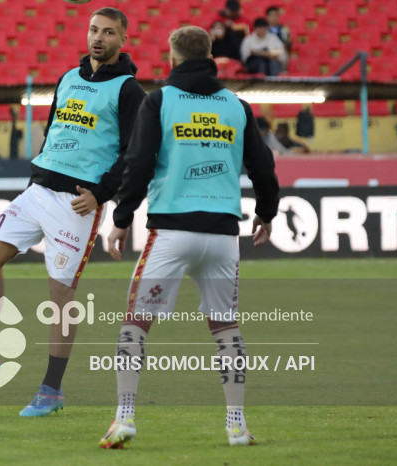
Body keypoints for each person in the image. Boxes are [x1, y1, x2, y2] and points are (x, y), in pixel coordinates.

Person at [98, 25, 279, 449]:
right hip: (221, 236)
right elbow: (263, 166)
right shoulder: (236, 105)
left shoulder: (160, 100)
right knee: (226, 329)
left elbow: (138, 163)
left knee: (135, 325)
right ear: (211, 55)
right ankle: (236, 425)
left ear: (173, 57)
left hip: (172, 232)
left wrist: (122, 218)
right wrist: (267, 212)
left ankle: (124, 417)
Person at [0, 7, 146, 416]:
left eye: (108, 32)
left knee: (61, 295)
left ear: (123, 40)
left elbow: (135, 152)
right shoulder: (69, 77)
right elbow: (55, 129)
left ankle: (52, 389)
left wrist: (103, 192)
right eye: (93, 30)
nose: (98, 38)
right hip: (38, 190)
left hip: (76, 203)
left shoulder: (128, 90)